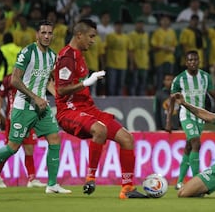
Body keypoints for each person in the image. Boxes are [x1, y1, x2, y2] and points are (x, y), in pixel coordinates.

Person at [53, 19, 147, 198]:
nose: (93, 40)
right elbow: (62, 89)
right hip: (69, 110)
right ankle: (90, 178)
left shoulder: (79, 55)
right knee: (100, 129)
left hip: (88, 109)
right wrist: (85, 83)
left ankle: (127, 189)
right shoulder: (67, 56)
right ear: (79, 35)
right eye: (91, 36)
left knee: (127, 139)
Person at [0, 20, 71, 194]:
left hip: (41, 108)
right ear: (37, 35)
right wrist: (35, 97)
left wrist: (59, 98)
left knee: (55, 139)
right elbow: (15, 80)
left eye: (49, 33)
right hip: (23, 106)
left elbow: (47, 81)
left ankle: (52, 184)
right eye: (43, 33)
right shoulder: (27, 52)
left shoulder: (52, 56)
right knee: (13, 147)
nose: (47, 36)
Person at [166, 50, 215, 190]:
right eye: (190, 60)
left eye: (195, 60)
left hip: (200, 115)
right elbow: (172, 100)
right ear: (186, 62)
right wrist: (168, 120)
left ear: (199, 61)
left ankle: (180, 181)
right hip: (186, 115)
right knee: (196, 142)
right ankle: (196, 181)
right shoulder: (179, 79)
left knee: (189, 147)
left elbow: (211, 92)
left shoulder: (205, 77)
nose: (193, 62)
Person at [0, 74, 46, 188]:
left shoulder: (32, 78)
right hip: (13, 119)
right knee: (10, 149)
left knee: (29, 147)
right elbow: (0, 97)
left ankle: (31, 179)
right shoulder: (10, 79)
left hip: (27, 117)